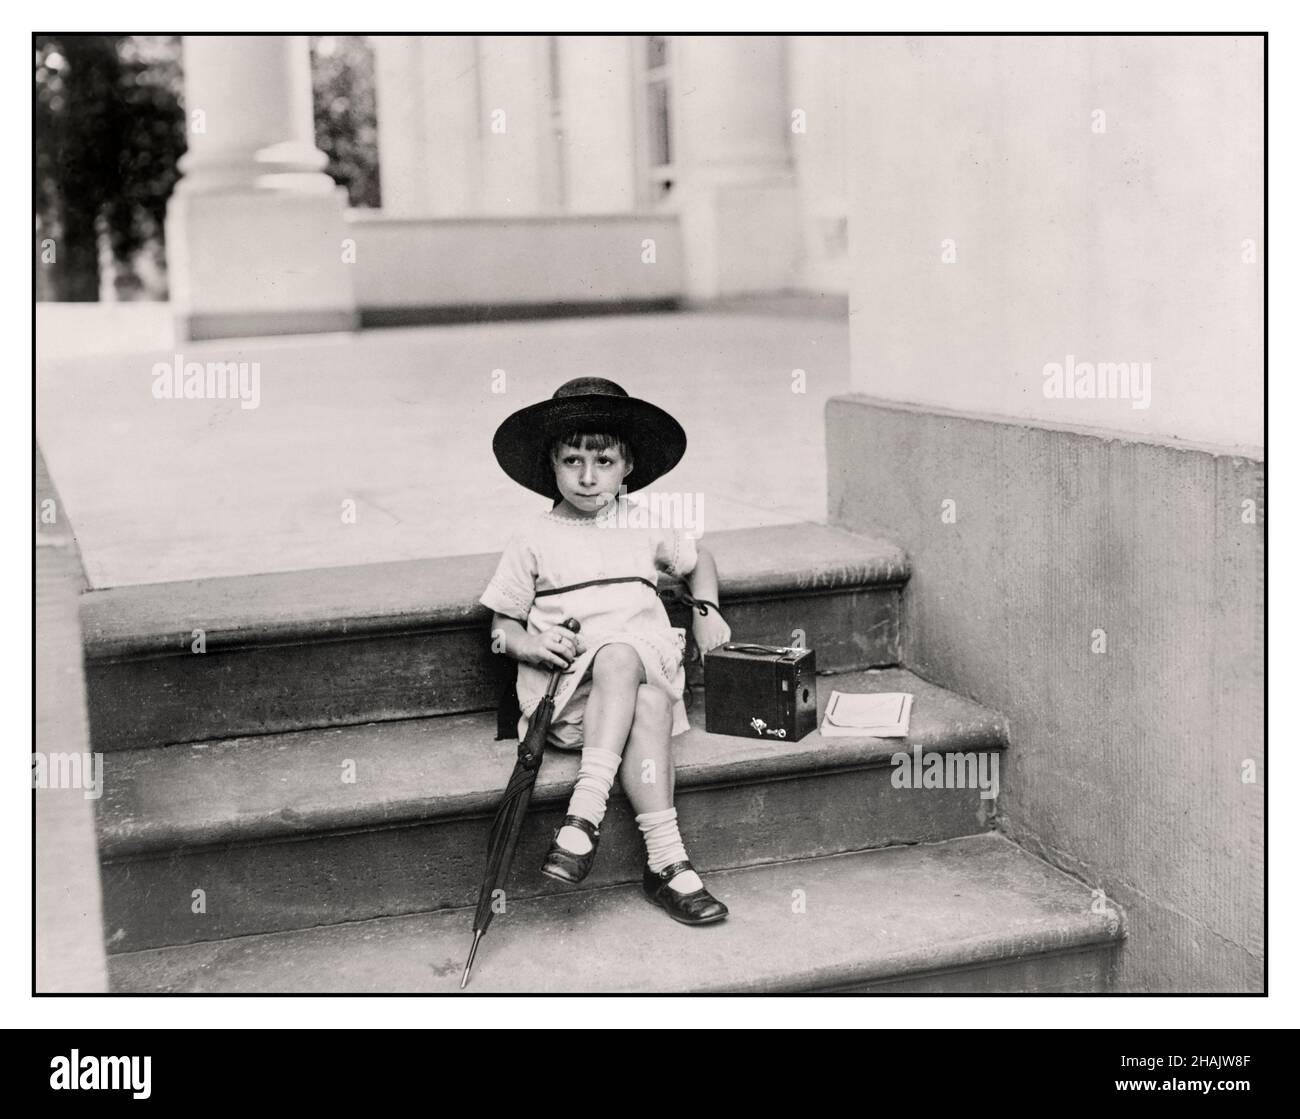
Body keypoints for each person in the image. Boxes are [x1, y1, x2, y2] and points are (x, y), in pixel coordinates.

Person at [479, 376, 732, 924]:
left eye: (604, 463)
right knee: (644, 697)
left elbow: (700, 561)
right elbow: (501, 628)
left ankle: (589, 822)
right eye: (572, 461)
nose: (588, 478)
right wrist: (532, 639)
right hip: (572, 703)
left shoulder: (645, 527)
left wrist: (707, 609)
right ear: (552, 464)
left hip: (641, 671)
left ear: (628, 467)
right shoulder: (534, 538)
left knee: (631, 669)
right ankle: (664, 862)